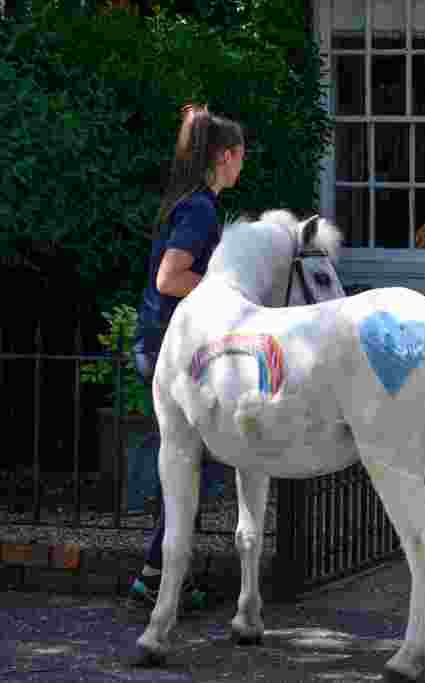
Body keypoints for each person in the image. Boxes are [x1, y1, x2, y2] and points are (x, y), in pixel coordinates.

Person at [129, 103, 245, 608]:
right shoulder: (199, 209)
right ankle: (157, 575)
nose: (244, 164)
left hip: (165, 346)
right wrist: (225, 287)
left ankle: (161, 574)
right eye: (242, 155)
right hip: (168, 353)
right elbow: (169, 278)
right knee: (194, 464)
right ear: (225, 156)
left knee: (189, 463)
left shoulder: (192, 202)